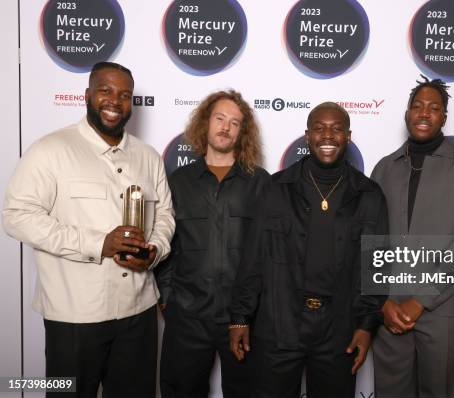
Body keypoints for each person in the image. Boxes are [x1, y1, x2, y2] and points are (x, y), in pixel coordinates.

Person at [2, 62, 175, 397]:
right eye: (105, 91)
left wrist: (154, 252)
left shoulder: (148, 156)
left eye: (124, 95)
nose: (115, 101)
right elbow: (17, 215)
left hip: (138, 312)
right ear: (87, 95)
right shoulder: (49, 150)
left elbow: (165, 216)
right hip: (74, 315)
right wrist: (98, 244)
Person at [229, 102, 388, 398]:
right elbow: (252, 259)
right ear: (307, 136)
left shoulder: (369, 195)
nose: (327, 135)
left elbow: (376, 269)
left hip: (338, 331)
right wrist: (240, 317)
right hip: (278, 325)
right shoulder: (275, 189)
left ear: (348, 136)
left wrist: (366, 326)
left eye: (336, 128)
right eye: (319, 128)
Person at [370, 76, 454, 397]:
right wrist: (382, 302)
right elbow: (369, 243)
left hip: (445, 311)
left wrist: (420, 300)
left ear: (444, 118)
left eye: (434, 108)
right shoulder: (383, 169)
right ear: (407, 113)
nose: (424, 113)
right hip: (390, 311)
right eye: (418, 106)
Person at [155, 90, 268, 397]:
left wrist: (253, 311)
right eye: (220, 118)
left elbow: (268, 252)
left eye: (235, 122)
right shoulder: (178, 182)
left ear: (242, 132)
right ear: (205, 123)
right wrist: (167, 299)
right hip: (188, 317)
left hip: (244, 319)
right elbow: (166, 242)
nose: (226, 127)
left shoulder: (261, 183)